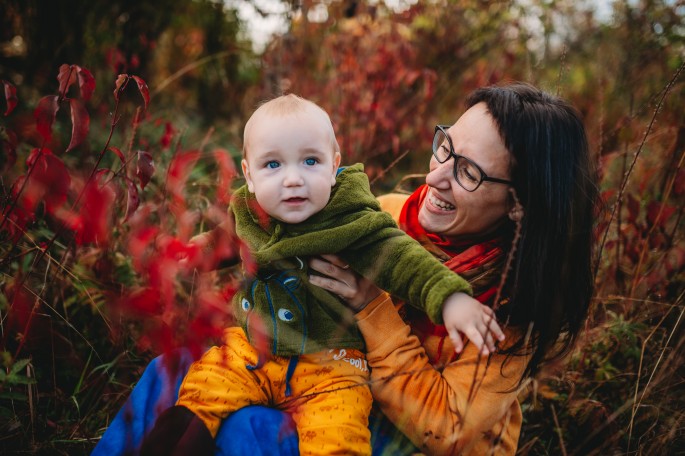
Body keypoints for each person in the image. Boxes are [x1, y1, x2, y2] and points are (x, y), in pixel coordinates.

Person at [92, 82, 597, 455]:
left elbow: (449, 429)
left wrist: (371, 308)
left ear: (520, 203)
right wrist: (201, 251)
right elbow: (282, 236)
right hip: (324, 382)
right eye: (446, 146)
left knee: (255, 432)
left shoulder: (509, 306)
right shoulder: (392, 210)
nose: (436, 175)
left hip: (409, 439)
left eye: (468, 171)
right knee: (171, 374)